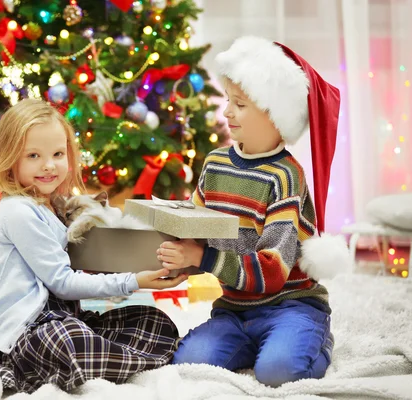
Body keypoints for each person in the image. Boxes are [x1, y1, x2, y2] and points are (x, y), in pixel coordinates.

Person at [0, 98, 188, 394]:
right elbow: (62, 283)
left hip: (64, 318)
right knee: (68, 340)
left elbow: (76, 264)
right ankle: (70, 362)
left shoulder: (53, 207)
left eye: (57, 153)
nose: (48, 165)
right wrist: (133, 281)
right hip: (20, 337)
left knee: (153, 321)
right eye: (33, 155)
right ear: (10, 160)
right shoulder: (18, 210)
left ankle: (101, 356)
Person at [156, 36, 348, 387]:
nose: (227, 112)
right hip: (235, 309)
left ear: (275, 115)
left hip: (290, 304)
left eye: (239, 104)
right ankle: (257, 344)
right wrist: (180, 259)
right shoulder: (215, 164)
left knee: (278, 372)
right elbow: (196, 230)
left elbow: (273, 271)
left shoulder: (285, 176)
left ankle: (314, 338)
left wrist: (200, 256)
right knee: (190, 363)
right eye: (229, 101)